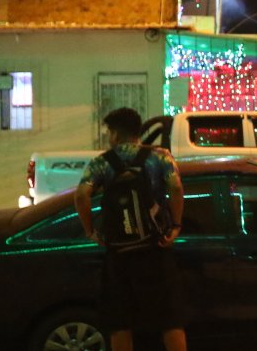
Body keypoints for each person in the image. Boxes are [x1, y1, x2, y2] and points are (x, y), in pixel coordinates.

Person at [74, 107, 187, 351]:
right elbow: (176, 188)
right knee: (169, 319)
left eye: (109, 132)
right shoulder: (160, 157)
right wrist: (176, 225)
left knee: (120, 322)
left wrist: (90, 231)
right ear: (137, 131)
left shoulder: (102, 162)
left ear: (115, 133)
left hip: (119, 253)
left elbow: (82, 195)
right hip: (155, 248)